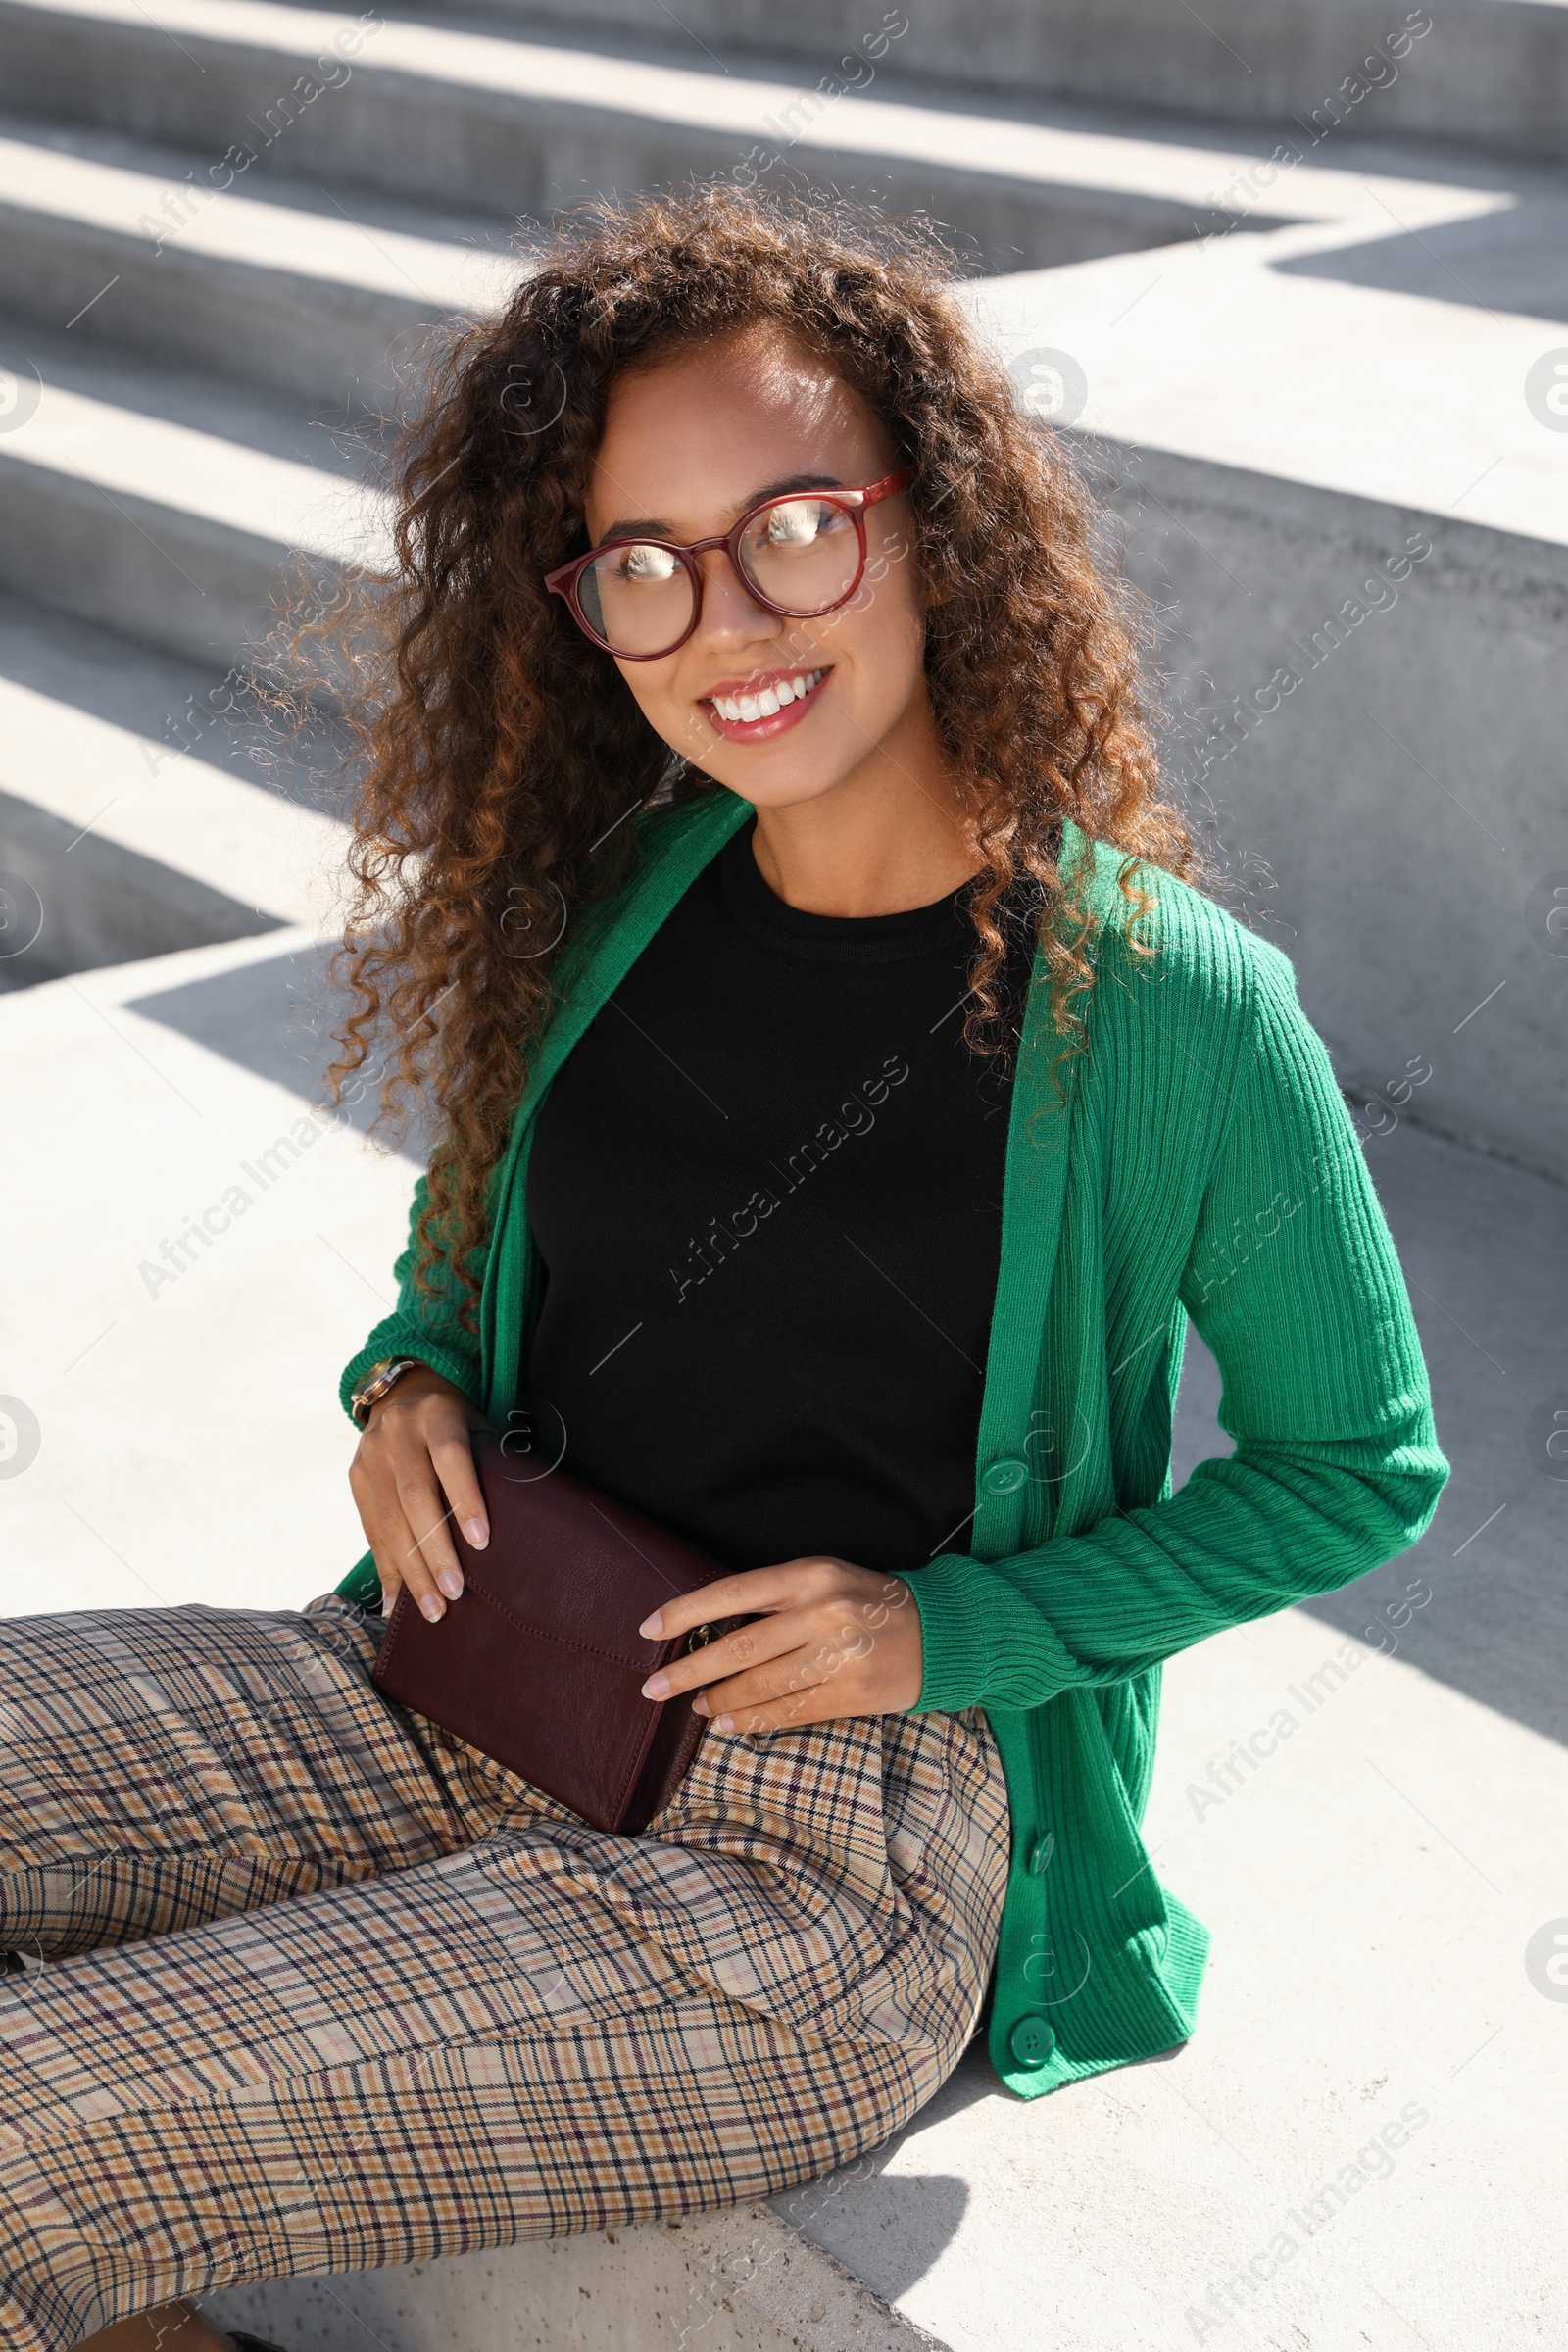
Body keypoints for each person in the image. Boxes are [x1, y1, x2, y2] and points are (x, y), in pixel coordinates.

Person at [0, 186, 1446, 2352]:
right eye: (643, 564)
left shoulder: (1162, 1007)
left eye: (793, 526)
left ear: (929, 521)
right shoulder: (627, 889)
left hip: (824, 1852)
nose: (723, 619)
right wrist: (403, 1383)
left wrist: (948, 1629)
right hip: (461, 1668)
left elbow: (1356, 1464)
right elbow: (469, 1223)